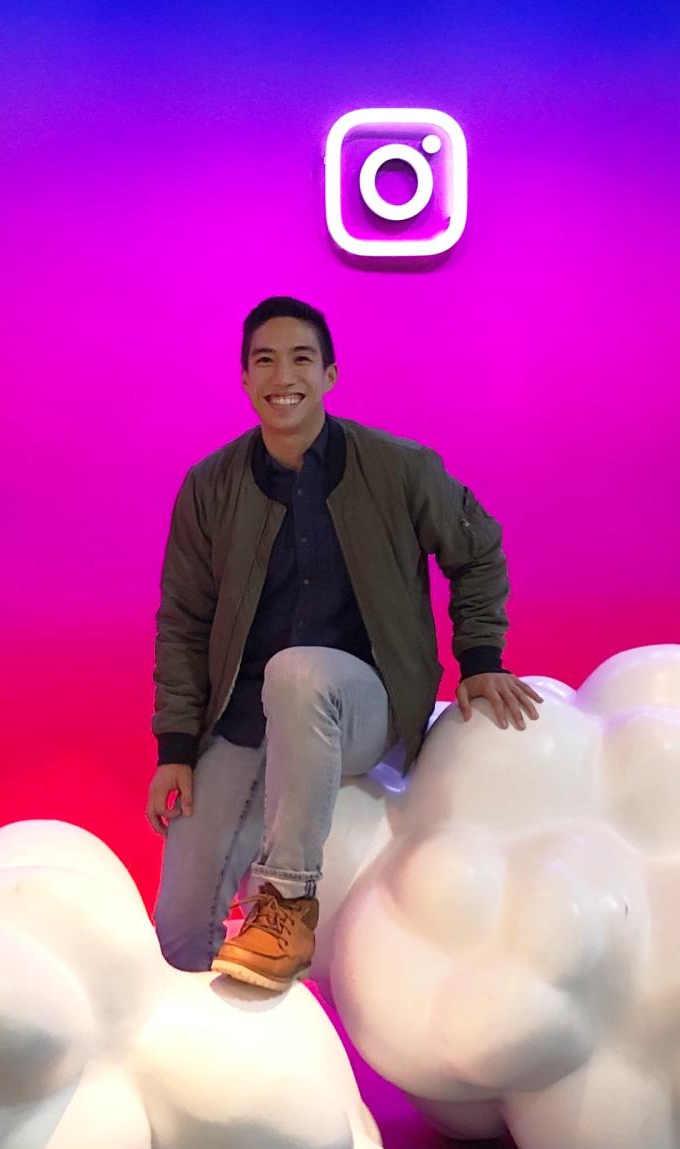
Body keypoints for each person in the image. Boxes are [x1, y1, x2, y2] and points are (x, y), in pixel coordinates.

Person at [146, 296, 541, 991]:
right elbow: (184, 620)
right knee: (179, 935)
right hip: (245, 720)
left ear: (330, 374)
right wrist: (175, 748)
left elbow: (477, 546)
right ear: (244, 378)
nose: (283, 376)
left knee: (298, 673)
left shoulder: (397, 467)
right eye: (265, 360)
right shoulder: (209, 487)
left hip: (360, 706)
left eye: (301, 359)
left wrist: (482, 658)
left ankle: (286, 904)